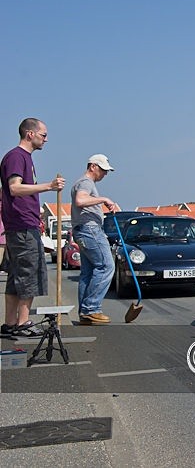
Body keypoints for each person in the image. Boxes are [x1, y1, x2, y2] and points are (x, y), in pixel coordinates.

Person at [1, 118, 65, 337]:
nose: (46, 139)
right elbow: (15, 188)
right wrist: (49, 186)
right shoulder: (17, 157)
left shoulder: (23, 158)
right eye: (43, 135)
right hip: (21, 227)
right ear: (30, 134)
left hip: (22, 224)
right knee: (29, 273)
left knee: (16, 275)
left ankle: (10, 323)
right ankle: (23, 322)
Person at [71, 154, 117, 324]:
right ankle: (91, 308)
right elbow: (80, 200)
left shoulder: (80, 183)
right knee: (106, 266)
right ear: (93, 166)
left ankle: (85, 313)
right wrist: (104, 199)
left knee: (88, 273)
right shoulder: (86, 183)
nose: (105, 174)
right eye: (103, 170)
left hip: (82, 230)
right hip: (90, 230)